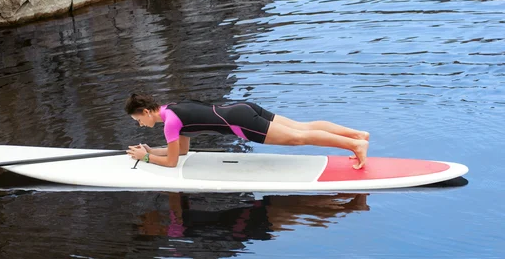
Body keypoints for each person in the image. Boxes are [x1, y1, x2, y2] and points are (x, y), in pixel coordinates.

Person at [125, 93, 369, 169]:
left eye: (138, 120)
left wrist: (144, 157)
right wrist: (150, 148)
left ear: (147, 112)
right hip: (242, 108)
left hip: (240, 123)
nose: (139, 124)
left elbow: (171, 162)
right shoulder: (172, 109)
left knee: (298, 138)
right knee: (302, 127)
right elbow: (182, 151)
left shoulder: (169, 124)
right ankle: (357, 135)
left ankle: (355, 146)